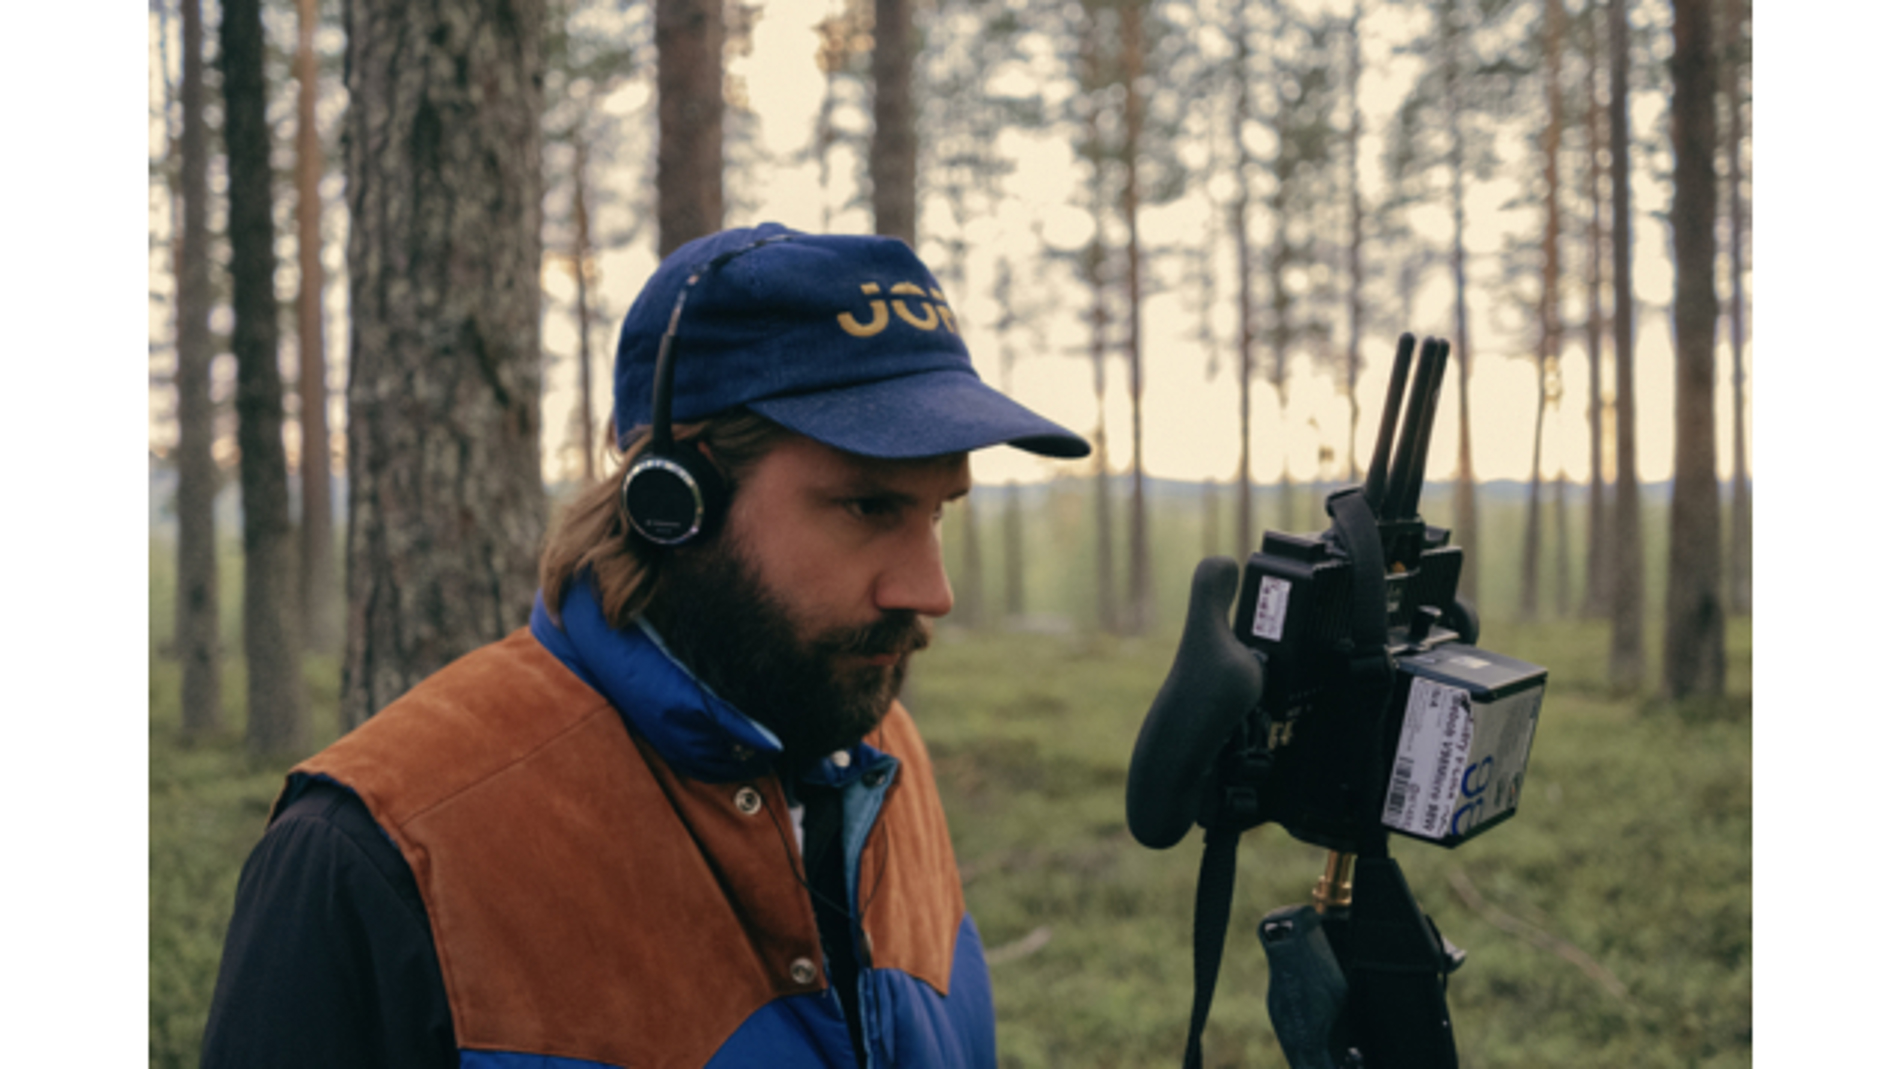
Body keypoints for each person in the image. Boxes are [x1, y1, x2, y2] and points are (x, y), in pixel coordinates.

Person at [199, 222, 1090, 1069]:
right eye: (870, 506)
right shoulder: (375, 853)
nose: (929, 589)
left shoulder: (883, 756)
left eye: (937, 511)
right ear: (677, 497)